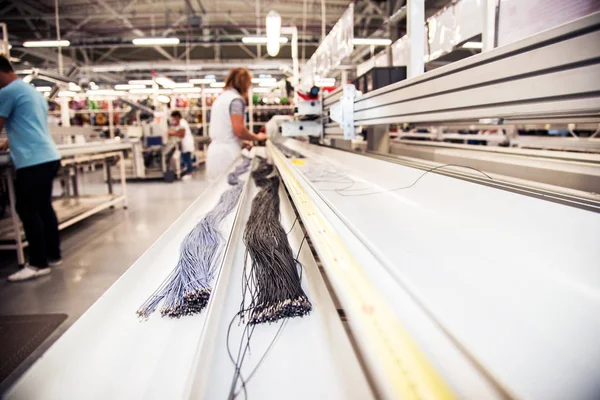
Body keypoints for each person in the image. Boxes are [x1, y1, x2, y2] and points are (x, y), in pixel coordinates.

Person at [0, 55, 62, 282]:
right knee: (44, 207)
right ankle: (53, 255)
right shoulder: (33, 92)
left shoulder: (7, 93)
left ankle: (37, 263)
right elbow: (29, 125)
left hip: (32, 159)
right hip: (48, 155)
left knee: (27, 209)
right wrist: (10, 141)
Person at [207, 68, 267, 180]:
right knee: (229, 191)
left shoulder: (222, 98)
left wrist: (241, 142)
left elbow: (225, 128)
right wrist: (257, 137)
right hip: (227, 155)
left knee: (218, 192)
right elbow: (239, 130)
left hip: (215, 153)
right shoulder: (236, 100)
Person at [168, 110, 195, 180]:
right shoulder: (180, 123)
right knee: (185, 157)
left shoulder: (182, 122)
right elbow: (179, 132)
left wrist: (171, 133)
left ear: (177, 117)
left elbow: (182, 134)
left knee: (187, 158)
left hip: (187, 142)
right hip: (185, 142)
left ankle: (189, 173)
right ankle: (188, 171)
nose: (173, 120)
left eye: (173, 118)